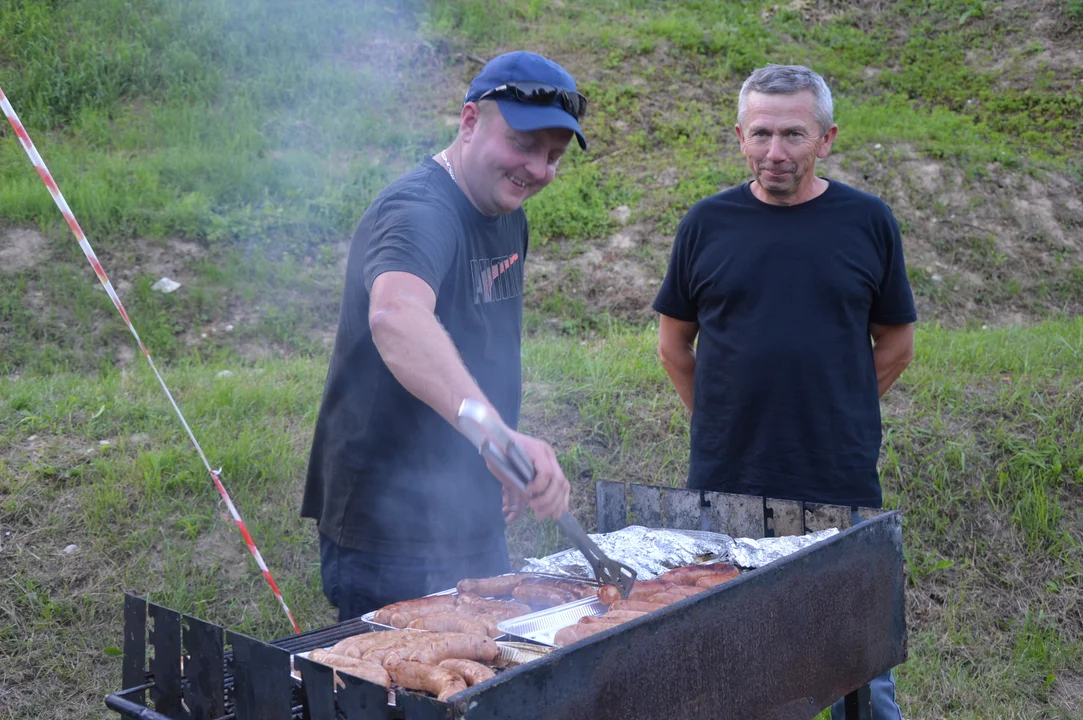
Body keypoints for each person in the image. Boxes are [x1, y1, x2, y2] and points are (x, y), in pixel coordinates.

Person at [652, 64, 916, 719]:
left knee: (857, 658)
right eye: (761, 133)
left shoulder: (866, 221)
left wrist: (840, 413)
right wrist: (717, 421)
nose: (775, 152)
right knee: (735, 659)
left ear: (825, 139)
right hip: (725, 479)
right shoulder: (706, 224)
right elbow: (672, 344)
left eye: (793, 135)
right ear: (739, 136)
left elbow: (895, 341)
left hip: (838, 478)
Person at [301, 51, 588, 622]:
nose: (537, 170)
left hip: (469, 509)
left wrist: (498, 456)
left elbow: (480, 343)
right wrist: (495, 437)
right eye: (524, 145)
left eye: (553, 156)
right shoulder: (418, 212)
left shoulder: (507, 209)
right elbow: (397, 316)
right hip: (388, 528)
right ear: (469, 121)